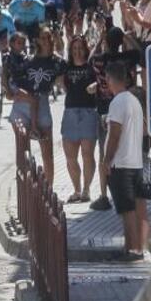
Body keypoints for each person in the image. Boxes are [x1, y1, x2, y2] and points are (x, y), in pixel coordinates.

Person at [89, 26, 143, 211]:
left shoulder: (100, 60)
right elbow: (141, 53)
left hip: (105, 109)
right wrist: (127, 38)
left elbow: (90, 59)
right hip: (128, 108)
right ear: (120, 42)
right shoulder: (127, 58)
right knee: (131, 148)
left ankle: (104, 196)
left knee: (104, 152)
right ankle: (134, 190)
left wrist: (99, 41)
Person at [104, 60, 149, 262]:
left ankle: (131, 250)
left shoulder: (118, 102)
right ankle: (137, 247)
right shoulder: (134, 101)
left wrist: (106, 160)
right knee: (136, 208)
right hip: (136, 162)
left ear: (109, 79)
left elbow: (114, 134)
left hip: (121, 164)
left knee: (127, 210)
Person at [12, 28, 64, 187]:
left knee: (47, 153)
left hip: (42, 103)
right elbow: (14, 82)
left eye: (49, 37)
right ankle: (26, 189)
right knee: (23, 151)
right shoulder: (28, 61)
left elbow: (62, 82)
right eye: (43, 37)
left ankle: (48, 191)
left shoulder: (58, 62)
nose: (46, 40)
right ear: (37, 41)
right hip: (24, 103)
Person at [60, 35, 99, 203]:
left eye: (80, 48)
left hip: (88, 112)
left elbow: (102, 80)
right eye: (74, 49)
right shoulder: (66, 67)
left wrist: (95, 86)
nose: (77, 52)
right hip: (70, 113)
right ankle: (76, 189)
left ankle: (86, 189)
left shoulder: (92, 67)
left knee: (87, 154)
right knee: (70, 157)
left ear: (85, 49)